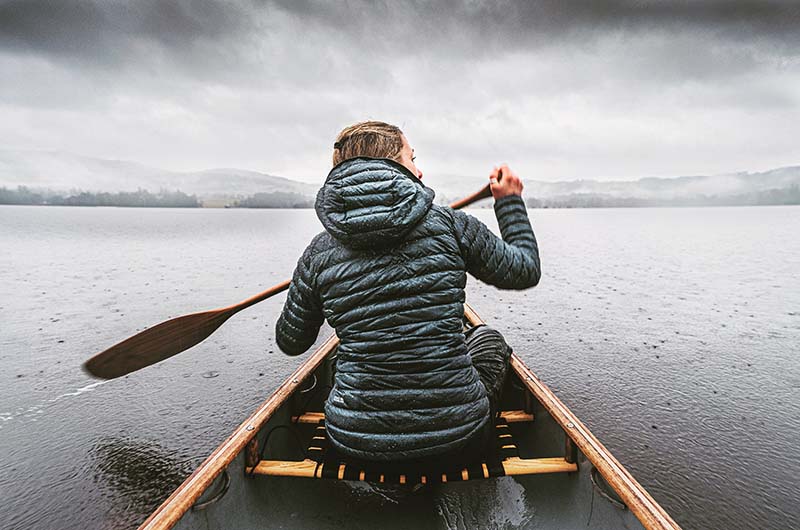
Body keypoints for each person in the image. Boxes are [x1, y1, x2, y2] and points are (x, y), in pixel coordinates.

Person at [275, 121, 540, 468]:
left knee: (341, 359)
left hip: (354, 446)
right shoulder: (449, 224)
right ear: (393, 166)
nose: (419, 170)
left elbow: (291, 342)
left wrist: (309, 285)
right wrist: (509, 203)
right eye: (412, 159)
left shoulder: (319, 252)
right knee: (488, 339)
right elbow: (525, 269)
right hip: (458, 441)